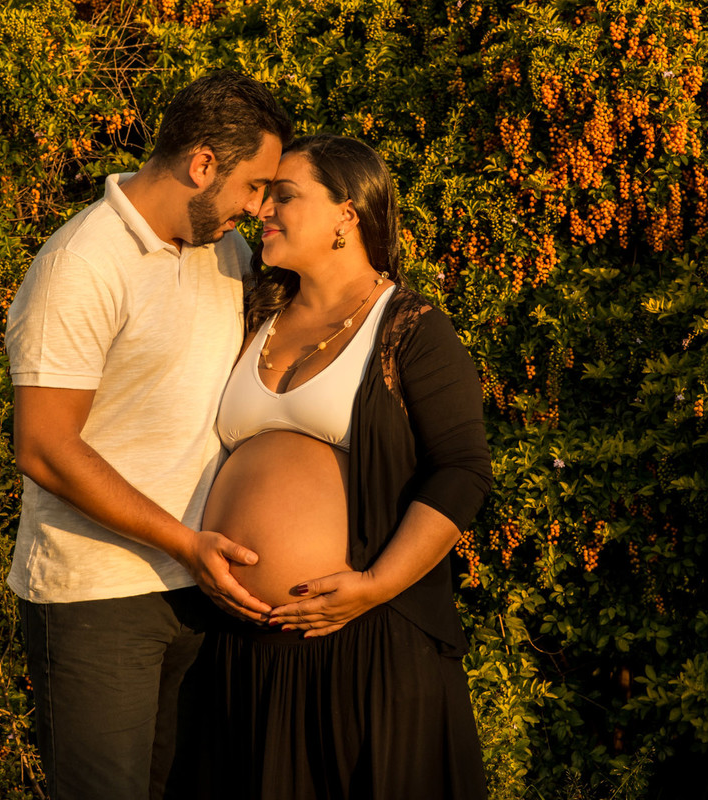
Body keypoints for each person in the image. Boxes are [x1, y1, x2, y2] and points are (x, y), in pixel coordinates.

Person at [4, 71, 291, 800]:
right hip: (97, 599)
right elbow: (44, 445)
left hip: (199, 589)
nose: (258, 210)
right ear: (202, 165)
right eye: (254, 187)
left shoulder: (223, 252)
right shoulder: (82, 264)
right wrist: (182, 540)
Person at [199, 134, 493, 799]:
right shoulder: (251, 314)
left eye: (286, 196)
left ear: (347, 214)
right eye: (264, 196)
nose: (263, 211)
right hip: (246, 652)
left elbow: (462, 470)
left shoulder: (410, 328)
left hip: (365, 641)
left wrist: (376, 583)